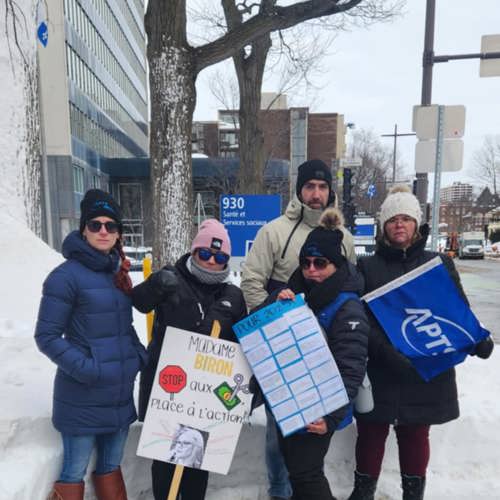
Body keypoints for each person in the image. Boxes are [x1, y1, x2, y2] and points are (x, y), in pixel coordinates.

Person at [347, 186, 495, 500]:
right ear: (383, 226)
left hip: (425, 368)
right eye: (392, 219)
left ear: (417, 224)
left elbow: (456, 312)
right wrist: (386, 353)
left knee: (415, 434)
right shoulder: (367, 267)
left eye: (406, 218)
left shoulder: (438, 264)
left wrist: (476, 340)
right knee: (371, 433)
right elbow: (361, 320)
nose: (399, 224)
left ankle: (413, 495)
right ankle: (363, 493)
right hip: (382, 369)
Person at [241, 158, 356, 500]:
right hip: (283, 349)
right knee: (279, 433)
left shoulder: (343, 237)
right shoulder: (274, 231)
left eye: (322, 187)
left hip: (326, 353)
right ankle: (279, 492)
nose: (316, 193)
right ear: (299, 190)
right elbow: (251, 281)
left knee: (312, 439)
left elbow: (351, 283)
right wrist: (269, 324)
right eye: (310, 186)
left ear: (330, 191)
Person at [35, 189, 147, 500]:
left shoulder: (119, 274)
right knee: (74, 472)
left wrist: (137, 356)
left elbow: (124, 328)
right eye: (95, 224)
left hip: (119, 395)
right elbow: (46, 337)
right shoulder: (65, 277)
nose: (103, 231)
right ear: (83, 229)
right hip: (82, 398)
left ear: (118, 234)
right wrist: (89, 370)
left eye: (111, 226)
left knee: (111, 467)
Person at [257, 207, 369, 500]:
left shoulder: (347, 307)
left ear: (336, 264)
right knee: (297, 470)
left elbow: (351, 368)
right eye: (305, 263)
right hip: (289, 401)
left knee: (307, 474)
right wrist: (273, 301)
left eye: (320, 263)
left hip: (320, 407)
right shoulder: (297, 294)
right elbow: (256, 330)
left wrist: (331, 418)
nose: (311, 270)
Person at [132, 219, 246, 500]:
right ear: (194, 252)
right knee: (165, 469)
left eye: (219, 257)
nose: (211, 262)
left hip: (206, 398)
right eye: (205, 254)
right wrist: (157, 284)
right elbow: (139, 301)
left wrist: (240, 395)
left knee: (197, 468)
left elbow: (243, 347)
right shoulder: (172, 279)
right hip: (168, 390)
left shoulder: (233, 295)